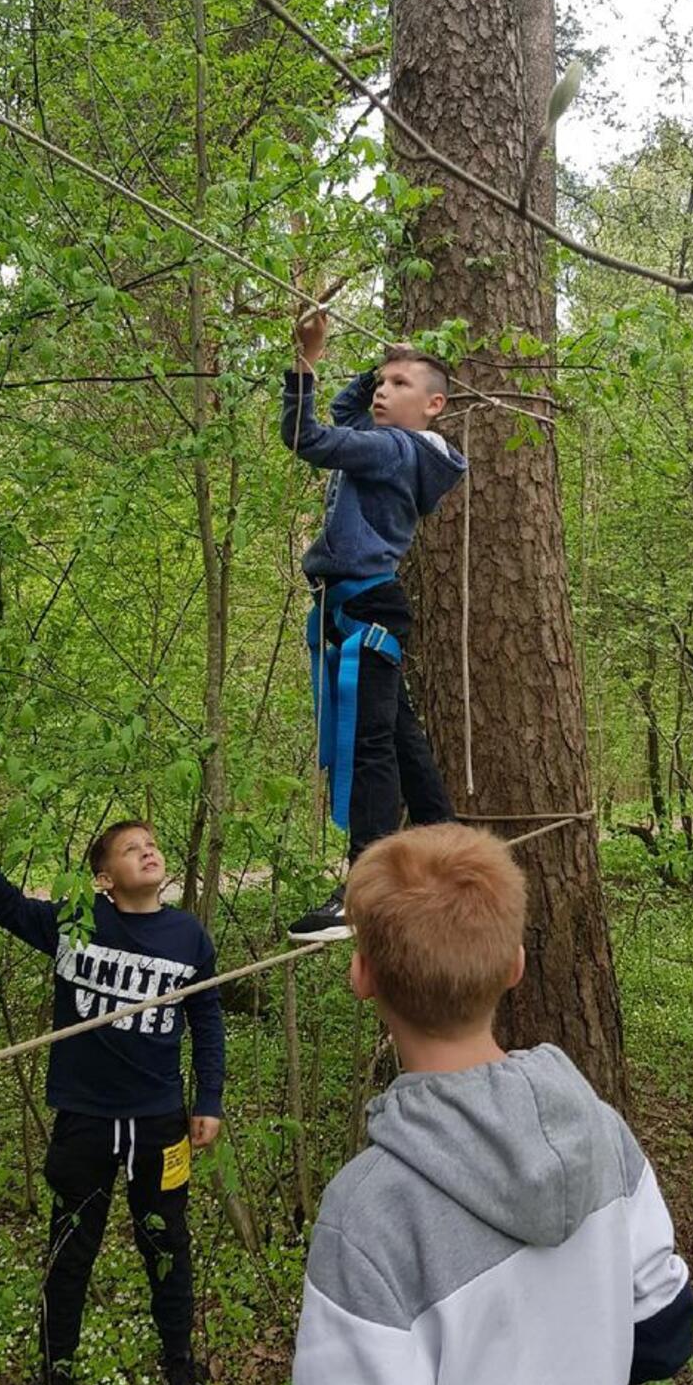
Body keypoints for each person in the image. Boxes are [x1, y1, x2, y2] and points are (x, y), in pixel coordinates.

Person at [291, 823, 693, 1385]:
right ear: (516, 965)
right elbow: (664, 1331)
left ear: (362, 976)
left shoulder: (366, 1213)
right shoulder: (602, 1132)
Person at [0, 803, 224, 1385]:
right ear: (104, 878)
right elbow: (9, 906)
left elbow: (207, 1019)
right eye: (130, 849)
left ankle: (179, 1366)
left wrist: (209, 1098)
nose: (148, 851)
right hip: (85, 1119)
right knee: (71, 1250)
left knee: (167, 1247)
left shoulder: (188, 936)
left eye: (151, 843)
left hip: (157, 1120)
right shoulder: (77, 923)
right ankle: (57, 1372)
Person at [282, 308, 467, 941]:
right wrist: (377, 368)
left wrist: (304, 361)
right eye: (381, 383)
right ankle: (448, 845)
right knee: (399, 738)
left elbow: (310, 436)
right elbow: (345, 409)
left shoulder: (392, 449)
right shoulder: (401, 450)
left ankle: (366, 884)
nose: (383, 391)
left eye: (399, 385)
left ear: (435, 405)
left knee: (369, 744)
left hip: (362, 608)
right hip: (364, 605)